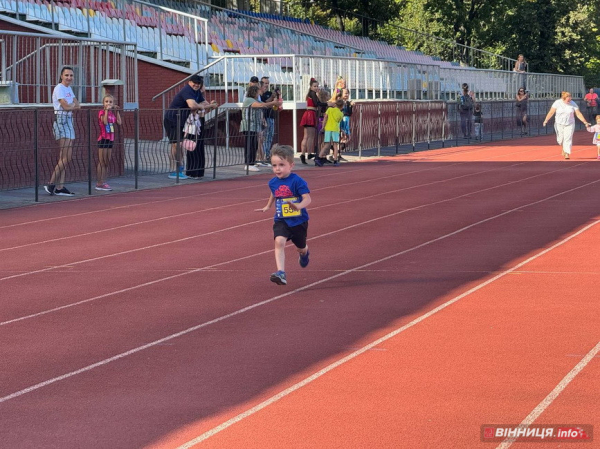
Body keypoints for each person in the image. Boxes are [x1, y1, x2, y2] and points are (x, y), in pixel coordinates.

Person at [256, 144, 311, 286]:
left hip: (298, 221)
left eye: (281, 165)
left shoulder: (297, 181)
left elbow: (307, 198)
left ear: (291, 165)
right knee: (279, 241)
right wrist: (268, 206)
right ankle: (281, 272)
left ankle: (304, 253)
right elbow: (274, 193)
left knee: (301, 247)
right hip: (281, 220)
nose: (277, 169)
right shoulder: (273, 182)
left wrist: (298, 206)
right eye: (274, 165)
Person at [45, 66, 81, 196]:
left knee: (65, 157)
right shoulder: (59, 88)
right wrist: (71, 106)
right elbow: (65, 106)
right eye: (66, 75)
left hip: (69, 121)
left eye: (71, 75)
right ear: (61, 76)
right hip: (61, 121)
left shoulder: (69, 89)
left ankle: (60, 186)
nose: (69, 78)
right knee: (65, 157)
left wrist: (71, 106)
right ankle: (51, 183)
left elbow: (77, 104)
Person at [163, 74, 205, 180]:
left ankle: (179, 168)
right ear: (190, 82)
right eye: (194, 83)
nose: (196, 85)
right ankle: (175, 170)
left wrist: (205, 104)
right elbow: (192, 105)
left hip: (181, 121)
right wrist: (200, 106)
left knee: (179, 144)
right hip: (173, 119)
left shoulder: (197, 91)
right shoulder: (187, 90)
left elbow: (203, 102)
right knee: (176, 145)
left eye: (198, 83)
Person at [543, 91, 591, 159]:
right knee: (560, 139)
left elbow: (578, 113)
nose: (569, 101)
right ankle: (564, 148)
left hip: (570, 123)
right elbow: (551, 112)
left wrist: (585, 122)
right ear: (563, 99)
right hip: (559, 123)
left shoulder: (573, 103)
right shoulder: (557, 103)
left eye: (570, 99)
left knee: (568, 138)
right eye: (567, 100)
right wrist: (546, 120)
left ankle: (567, 153)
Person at [186, 81, 218, 179]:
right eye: (203, 86)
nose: (204, 88)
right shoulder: (193, 96)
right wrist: (210, 106)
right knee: (192, 146)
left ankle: (199, 171)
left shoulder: (201, 97)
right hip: (193, 123)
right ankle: (192, 171)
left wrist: (211, 105)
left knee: (199, 146)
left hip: (200, 122)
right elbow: (196, 108)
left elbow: (205, 108)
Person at [299, 78, 334, 164]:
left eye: (317, 86)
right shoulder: (313, 94)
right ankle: (309, 153)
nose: (316, 87)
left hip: (308, 113)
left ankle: (303, 154)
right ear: (311, 87)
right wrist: (327, 104)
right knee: (310, 136)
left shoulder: (310, 94)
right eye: (314, 86)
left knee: (306, 136)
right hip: (311, 114)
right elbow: (317, 103)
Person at [240, 85, 272, 172]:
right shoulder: (249, 100)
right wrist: (272, 103)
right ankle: (248, 163)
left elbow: (263, 104)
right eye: (258, 91)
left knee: (254, 144)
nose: (259, 93)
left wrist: (272, 103)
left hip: (254, 126)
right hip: (248, 125)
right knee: (250, 144)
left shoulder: (254, 100)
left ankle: (252, 162)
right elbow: (260, 105)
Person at [96, 94, 122, 191]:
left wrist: (117, 111)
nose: (108, 103)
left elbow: (119, 122)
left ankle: (104, 181)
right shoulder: (102, 112)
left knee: (107, 161)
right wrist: (106, 110)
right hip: (103, 138)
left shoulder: (112, 114)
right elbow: (105, 122)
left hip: (110, 139)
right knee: (102, 161)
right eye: (106, 102)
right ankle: (99, 182)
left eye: (110, 102)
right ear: (103, 103)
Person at [258, 76, 281, 166]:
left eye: (267, 83)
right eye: (265, 83)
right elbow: (265, 104)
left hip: (271, 116)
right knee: (264, 137)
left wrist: (277, 96)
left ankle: (267, 154)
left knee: (270, 136)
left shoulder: (269, 93)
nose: (266, 85)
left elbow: (274, 105)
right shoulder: (261, 94)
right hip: (265, 117)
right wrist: (272, 98)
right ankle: (264, 155)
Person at [315, 99, 344, 166]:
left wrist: (323, 127)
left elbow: (325, 118)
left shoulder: (329, 110)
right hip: (335, 129)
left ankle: (319, 157)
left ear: (335, 104)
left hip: (328, 128)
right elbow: (338, 121)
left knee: (326, 144)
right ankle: (335, 160)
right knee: (335, 145)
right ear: (342, 106)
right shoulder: (341, 114)